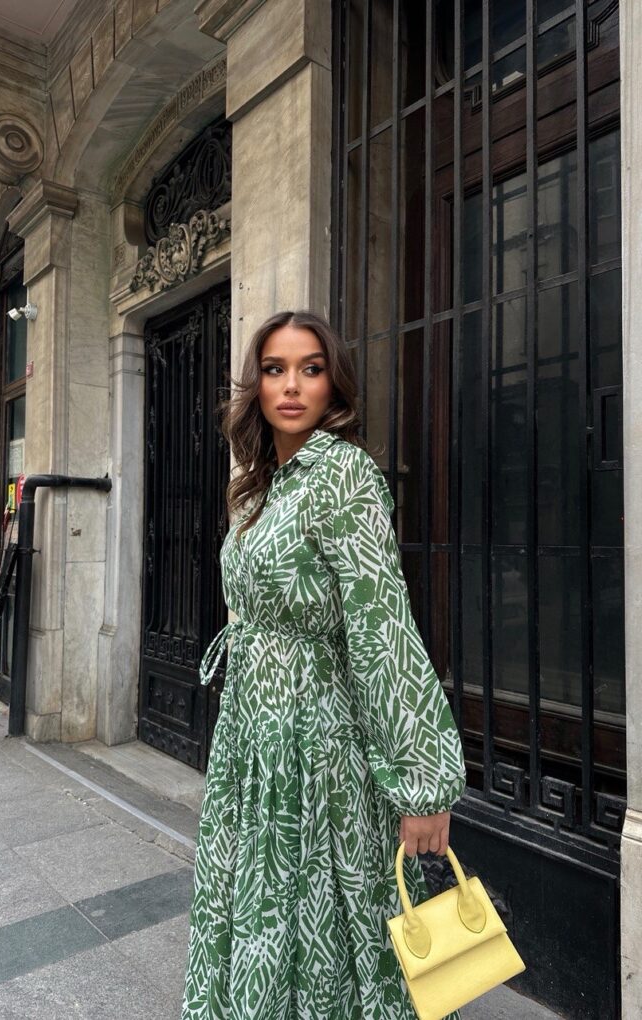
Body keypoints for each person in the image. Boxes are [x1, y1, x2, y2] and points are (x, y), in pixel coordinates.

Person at [180, 310, 467, 1019]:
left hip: (321, 743)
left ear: (332, 382)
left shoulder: (343, 473)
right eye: (275, 369)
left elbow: (382, 626)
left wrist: (422, 782)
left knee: (335, 914)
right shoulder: (260, 482)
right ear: (257, 384)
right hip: (255, 738)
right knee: (260, 898)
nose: (291, 385)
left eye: (311, 369)